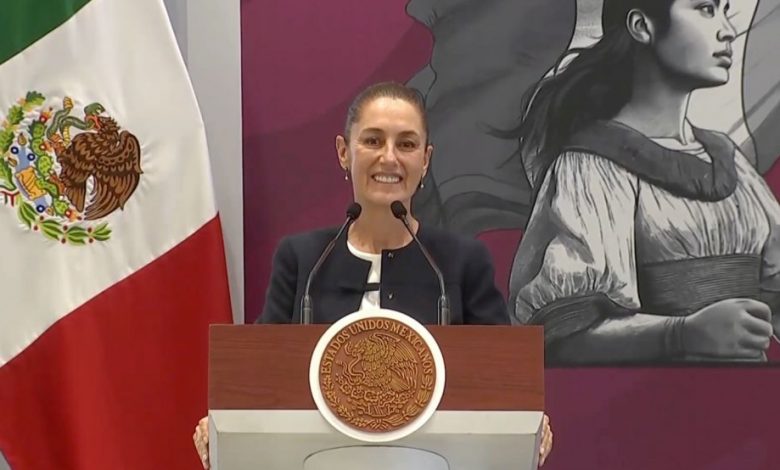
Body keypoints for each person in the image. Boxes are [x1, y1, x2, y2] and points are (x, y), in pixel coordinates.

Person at [193, 82, 554, 467]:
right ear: (344, 152)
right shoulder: (303, 260)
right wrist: (221, 423)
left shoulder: (460, 262)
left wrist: (529, 422)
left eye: (407, 144)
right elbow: (261, 376)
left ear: (426, 160)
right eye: (373, 140)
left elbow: (501, 383)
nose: (389, 157)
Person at [509, 0, 780, 364]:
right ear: (641, 26)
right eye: (705, 9)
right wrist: (681, 333)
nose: (727, 31)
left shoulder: (729, 160)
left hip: (748, 393)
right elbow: (561, 336)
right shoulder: (594, 165)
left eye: (724, 11)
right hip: (653, 394)